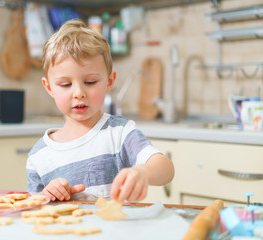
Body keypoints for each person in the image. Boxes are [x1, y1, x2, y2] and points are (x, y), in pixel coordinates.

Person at [26, 19, 174, 202]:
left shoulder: (120, 133)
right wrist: (48, 195)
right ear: (48, 87)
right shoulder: (38, 156)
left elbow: (165, 169)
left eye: (90, 82)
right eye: (65, 84)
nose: (79, 93)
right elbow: (34, 209)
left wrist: (142, 172)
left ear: (109, 82)